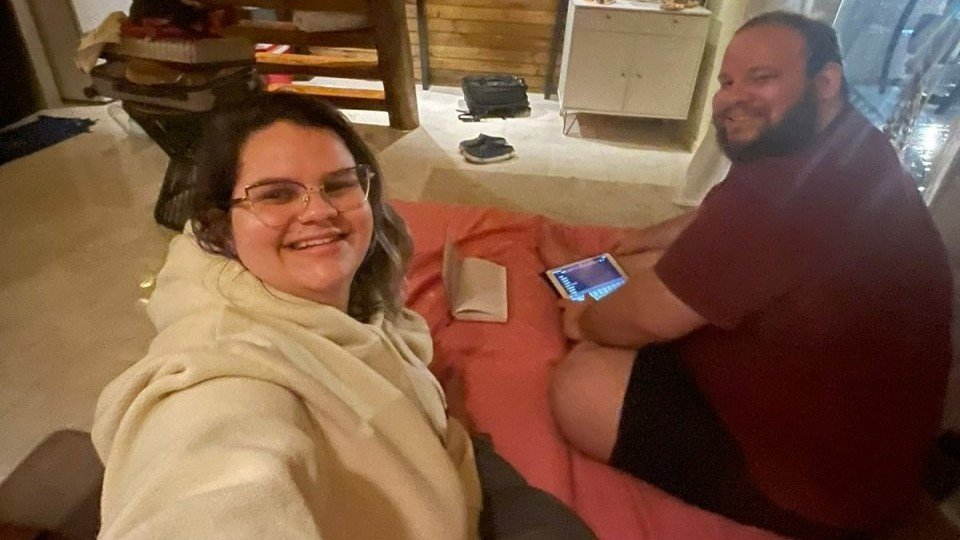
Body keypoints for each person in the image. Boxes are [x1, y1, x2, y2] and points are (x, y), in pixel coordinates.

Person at [92, 93, 594, 540]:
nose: (319, 212)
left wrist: (448, 424)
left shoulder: (355, 306)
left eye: (338, 186)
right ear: (220, 225)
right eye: (275, 194)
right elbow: (210, 481)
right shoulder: (221, 379)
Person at [549, 11, 953, 539]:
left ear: (825, 81)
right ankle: (575, 276)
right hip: (838, 421)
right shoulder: (845, 145)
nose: (731, 98)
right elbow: (719, 216)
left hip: (816, 489)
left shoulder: (788, 196)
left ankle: (571, 284)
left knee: (581, 381)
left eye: (761, 78)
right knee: (648, 269)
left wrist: (582, 318)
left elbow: (642, 319)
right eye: (727, 82)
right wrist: (649, 237)